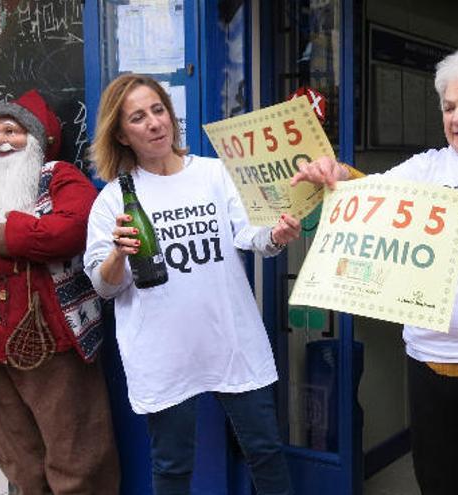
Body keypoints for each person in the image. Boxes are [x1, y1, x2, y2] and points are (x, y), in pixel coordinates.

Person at [291, 47, 458, 495]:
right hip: (429, 360)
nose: (457, 116)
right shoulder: (428, 166)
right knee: (437, 482)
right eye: (449, 106)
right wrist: (337, 175)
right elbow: (371, 197)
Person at [84, 74, 300, 495]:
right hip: (164, 353)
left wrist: (276, 235)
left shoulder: (215, 174)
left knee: (266, 451)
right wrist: (118, 254)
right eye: (138, 117)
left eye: (158, 110)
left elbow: (250, 233)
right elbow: (103, 286)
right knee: (172, 465)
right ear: (122, 134)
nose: (153, 123)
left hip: (231, 340)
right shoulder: (113, 199)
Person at [0, 90, 120, 493]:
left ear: (36, 140)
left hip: (54, 340)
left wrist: (5, 236)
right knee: (19, 459)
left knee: (77, 454)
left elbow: (76, 226)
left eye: (11, 130)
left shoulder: (58, 177)